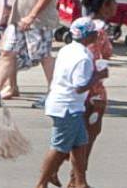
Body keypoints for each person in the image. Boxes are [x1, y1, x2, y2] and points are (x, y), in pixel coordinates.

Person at [30, 20, 105, 188]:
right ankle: (41, 183)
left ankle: (80, 182)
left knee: (80, 143)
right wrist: (97, 76)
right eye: (94, 32)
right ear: (89, 35)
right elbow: (79, 86)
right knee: (59, 147)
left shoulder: (67, 49)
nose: (97, 35)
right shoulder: (84, 57)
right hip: (67, 107)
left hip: (64, 103)